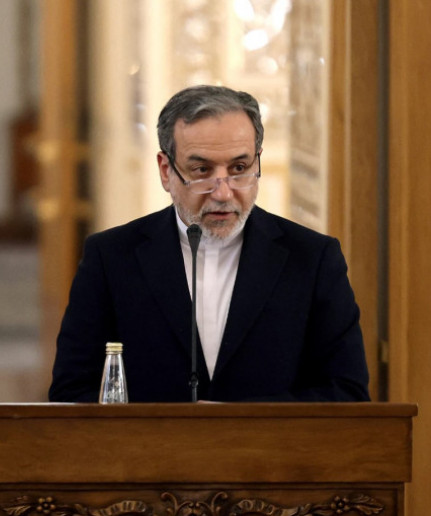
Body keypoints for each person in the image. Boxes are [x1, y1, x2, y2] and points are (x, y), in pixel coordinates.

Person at [49, 85, 369, 402]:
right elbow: (71, 394)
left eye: (239, 169)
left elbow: (347, 394)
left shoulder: (313, 259)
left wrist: (237, 423)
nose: (223, 192)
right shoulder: (111, 258)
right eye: (202, 170)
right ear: (166, 171)